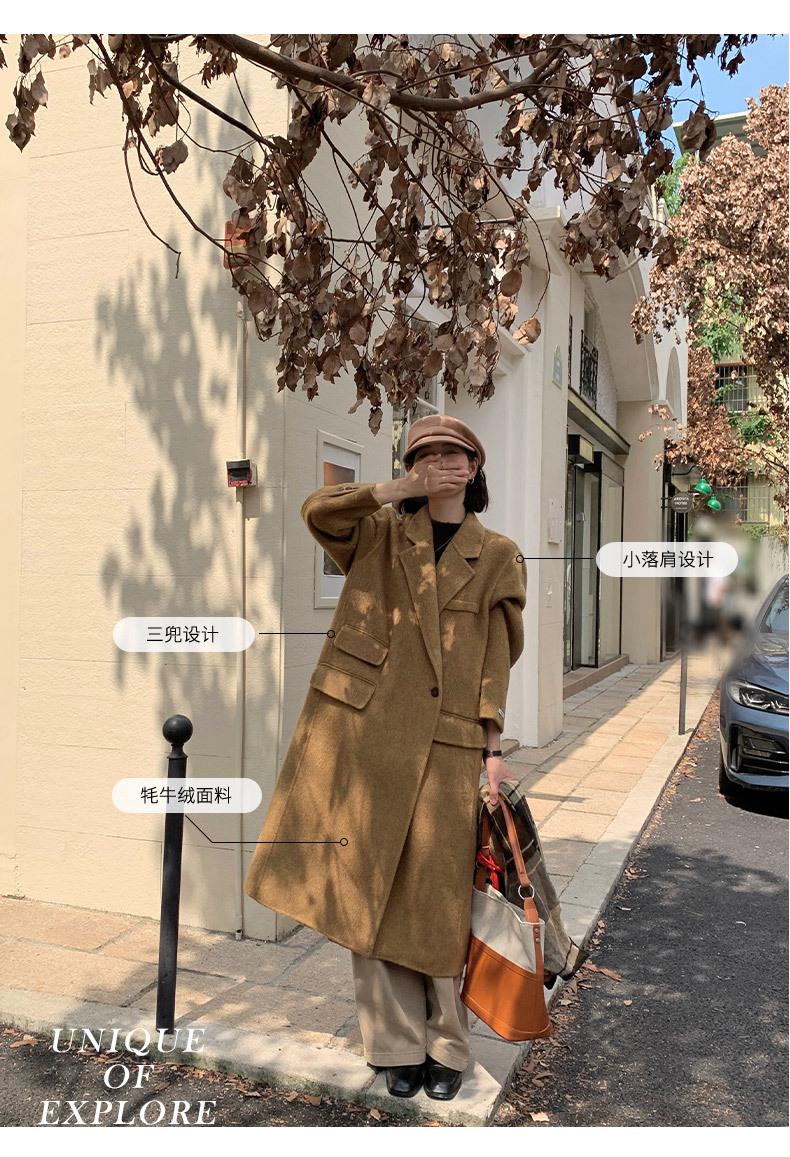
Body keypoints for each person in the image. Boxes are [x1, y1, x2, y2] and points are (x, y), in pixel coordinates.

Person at [244, 414, 527, 1102]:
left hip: (448, 742)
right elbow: (318, 511)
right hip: (364, 736)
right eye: (425, 455)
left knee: (435, 900)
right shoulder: (379, 533)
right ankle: (394, 1045)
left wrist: (493, 748)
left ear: (475, 467)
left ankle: (447, 1045)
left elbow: (495, 660)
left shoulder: (497, 553)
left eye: (453, 454)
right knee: (368, 893)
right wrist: (396, 490)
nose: (440, 463)